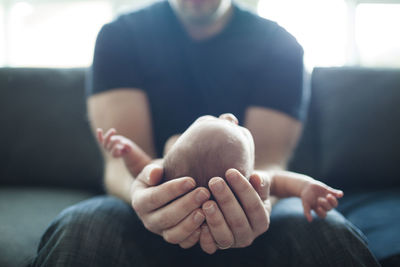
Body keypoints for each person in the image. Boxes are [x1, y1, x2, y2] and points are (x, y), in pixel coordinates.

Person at [30, 0, 380, 266]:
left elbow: (269, 172)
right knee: (81, 226)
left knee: (327, 231)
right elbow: (130, 168)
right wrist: (144, 192)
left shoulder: (280, 45)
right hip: (140, 210)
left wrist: (266, 198)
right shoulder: (120, 37)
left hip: (256, 215)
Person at [97, 114, 344, 224]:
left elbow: (142, 169)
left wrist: (128, 152)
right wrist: (306, 186)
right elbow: (282, 181)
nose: (228, 116)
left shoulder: (165, 176)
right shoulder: (252, 181)